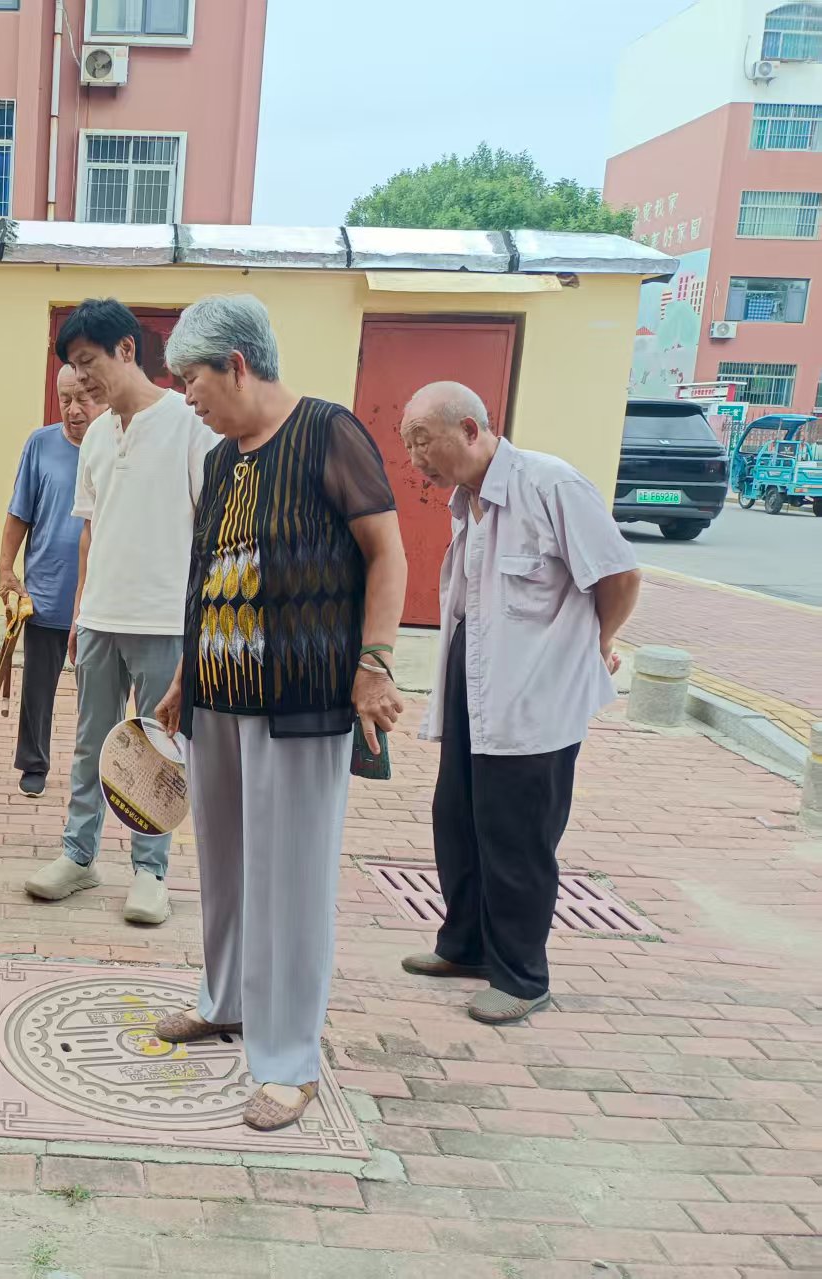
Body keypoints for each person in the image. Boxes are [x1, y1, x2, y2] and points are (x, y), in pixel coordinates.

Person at [150, 294, 407, 1133]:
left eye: (192, 379)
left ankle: (291, 1060)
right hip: (218, 696)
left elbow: (387, 553)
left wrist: (374, 663)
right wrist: (186, 674)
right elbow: (209, 575)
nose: (186, 396)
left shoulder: (329, 433)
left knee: (290, 878)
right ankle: (224, 999)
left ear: (237, 365)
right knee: (224, 864)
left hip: (301, 697)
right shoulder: (221, 459)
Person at [398, 381, 641, 1025]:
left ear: (470, 429)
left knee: (517, 837)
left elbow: (619, 575)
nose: (416, 459)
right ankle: (466, 946)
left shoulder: (549, 484)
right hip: (474, 684)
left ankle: (522, 978)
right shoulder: (467, 501)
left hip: (534, 694)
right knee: (458, 820)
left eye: (423, 441)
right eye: (408, 445)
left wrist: (596, 642)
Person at [22, 298, 217, 927]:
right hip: (101, 619)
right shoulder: (99, 435)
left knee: (157, 752)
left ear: (127, 350)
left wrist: (196, 630)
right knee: (90, 745)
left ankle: (150, 872)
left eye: (89, 363)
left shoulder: (188, 424)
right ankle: (78, 855)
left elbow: (210, 535)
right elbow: (89, 530)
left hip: (163, 622)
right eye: (74, 368)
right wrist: (80, 611)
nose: (81, 380)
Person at [0, 364, 107, 797]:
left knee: (97, 695)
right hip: (45, 591)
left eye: (83, 398)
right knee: (38, 689)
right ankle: (33, 762)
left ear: (102, 396)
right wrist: (6, 569)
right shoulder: (40, 444)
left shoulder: (116, 445)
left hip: (99, 598)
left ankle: (95, 767)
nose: (73, 409)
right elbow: (19, 512)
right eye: (65, 399)